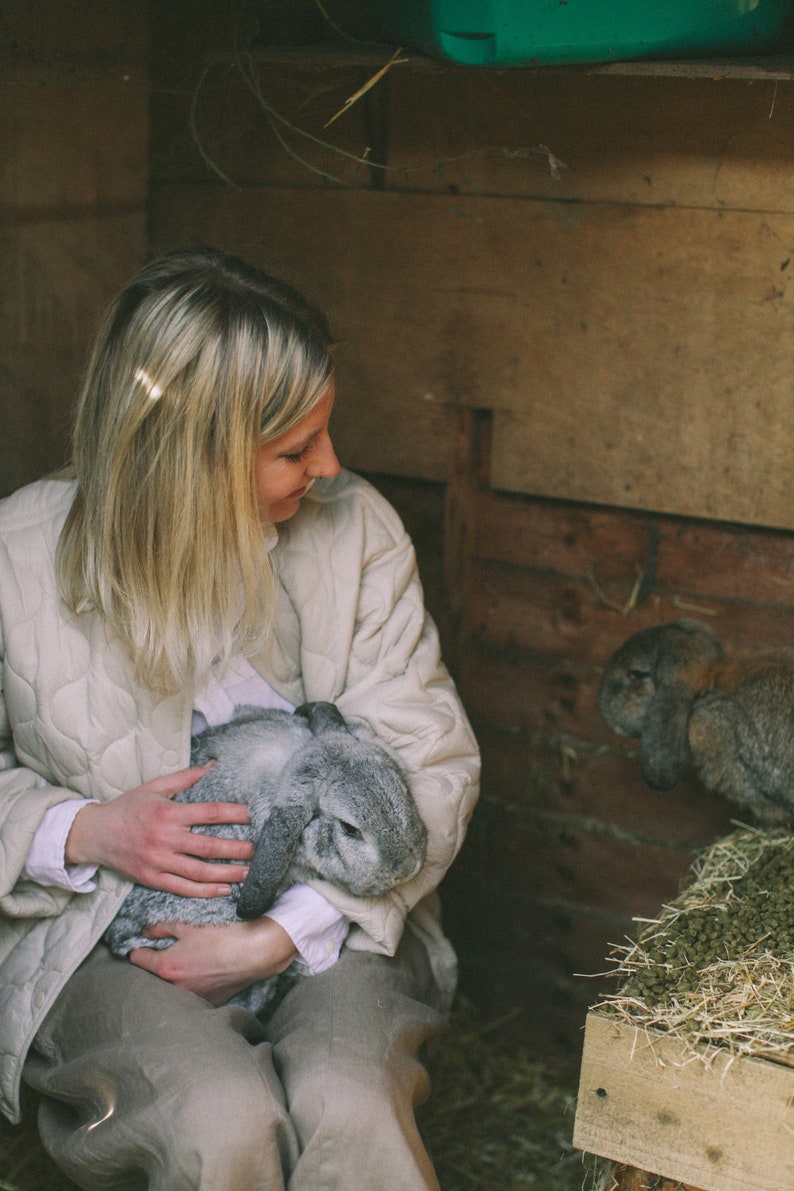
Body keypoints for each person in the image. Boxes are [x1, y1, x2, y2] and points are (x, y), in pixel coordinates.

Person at [0, 246, 480, 1190]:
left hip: (335, 922)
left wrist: (281, 935)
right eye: (295, 450)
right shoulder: (17, 556)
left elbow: (433, 759)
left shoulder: (356, 530)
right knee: (221, 1118)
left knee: (348, 1101)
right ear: (193, 455)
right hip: (103, 931)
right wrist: (89, 828)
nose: (331, 465)